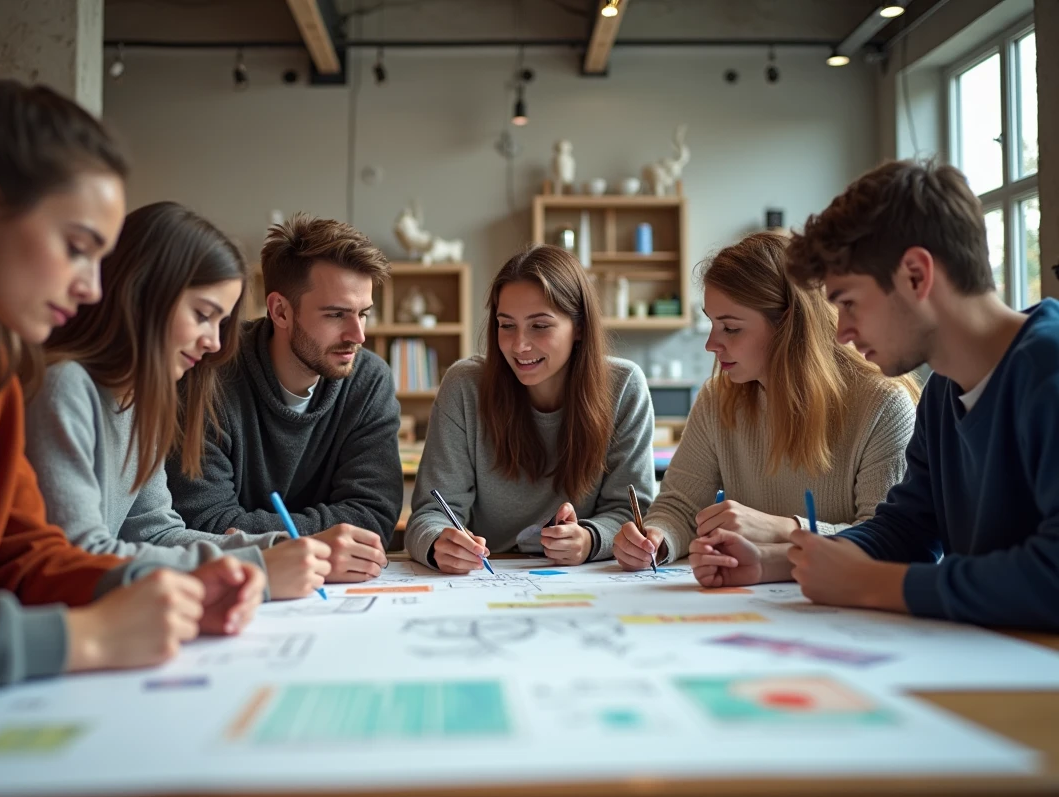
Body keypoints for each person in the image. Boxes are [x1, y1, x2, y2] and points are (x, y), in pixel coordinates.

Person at [0, 81, 263, 701]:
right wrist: (85, 638)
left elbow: (28, 559)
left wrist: (158, 594)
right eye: (76, 249)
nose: (93, 290)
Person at [691, 159, 1059, 631]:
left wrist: (872, 585)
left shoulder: (1047, 372)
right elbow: (905, 531)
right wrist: (773, 564)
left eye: (847, 301)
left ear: (915, 275)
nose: (841, 332)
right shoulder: (944, 390)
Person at [24, 202, 330, 601]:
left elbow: (156, 532)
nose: (215, 343)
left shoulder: (141, 399)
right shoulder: (64, 386)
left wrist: (273, 549)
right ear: (143, 294)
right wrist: (255, 567)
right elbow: (79, 557)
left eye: (221, 323)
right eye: (203, 315)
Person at [613, 232, 918, 570]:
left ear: (788, 325)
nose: (711, 344)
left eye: (730, 328)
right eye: (712, 323)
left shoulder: (883, 406)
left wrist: (783, 529)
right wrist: (657, 539)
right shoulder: (717, 399)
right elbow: (681, 507)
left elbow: (889, 541)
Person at [167, 213, 399, 583]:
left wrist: (253, 533)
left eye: (363, 314)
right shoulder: (208, 370)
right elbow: (202, 521)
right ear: (280, 310)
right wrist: (324, 539)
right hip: (235, 585)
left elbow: (373, 518)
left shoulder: (369, 380)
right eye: (336, 314)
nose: (358, 335)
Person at [405, 244, 655, 572]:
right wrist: (439, 543)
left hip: (581, 580)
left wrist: (590, 539)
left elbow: (630, 514)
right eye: (506, 325)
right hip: (483, 580)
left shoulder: (624, 387)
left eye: (539, 325)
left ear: (578, 327)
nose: (519, 345)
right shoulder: (464, 386)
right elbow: (429, 513)